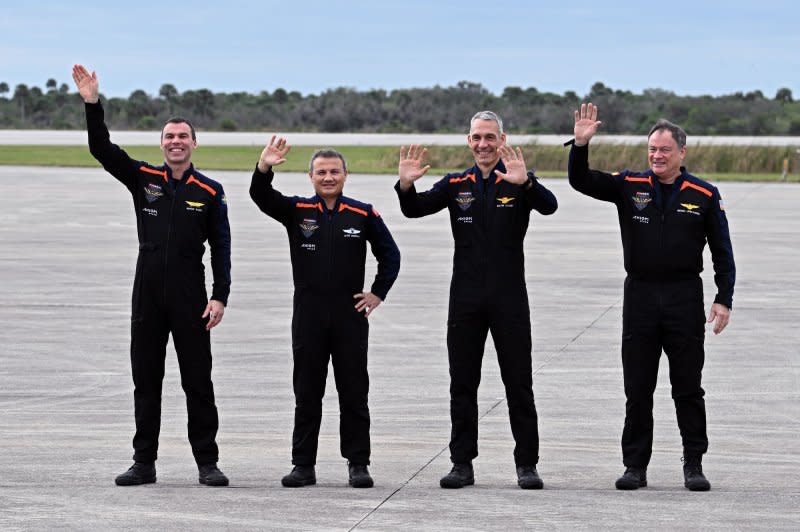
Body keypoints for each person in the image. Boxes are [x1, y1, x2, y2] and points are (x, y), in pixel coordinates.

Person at [72, 65, 231, 487]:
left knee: (198, 381)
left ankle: (207, 463)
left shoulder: (210, 192)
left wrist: (220, 296)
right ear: (161, 144)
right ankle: (144, 462)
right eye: (169, 137)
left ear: (194, 143)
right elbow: (102, 149)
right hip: (147, 295)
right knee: (147, 381)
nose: (176, 142)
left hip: (190, 296)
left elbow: (222, 248)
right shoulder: (144, 179)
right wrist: (92, 104)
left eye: (183, 136)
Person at [567, 102, 735, 491]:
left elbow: (722, 252)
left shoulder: (704, 194)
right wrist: (580, 145)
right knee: (637, 388)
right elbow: (581, 181)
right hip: (640, 297)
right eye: (652, 150)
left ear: (682, 153)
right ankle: (635, 466)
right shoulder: (630, 186)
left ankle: (693, 463)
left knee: (688, 387)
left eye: (664, 150)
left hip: (683, 298)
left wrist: (723, 297)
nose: (657, 156)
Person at [395, 111, 557, 489]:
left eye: (489, 137)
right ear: (468, 141)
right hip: (465, 298)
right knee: (462, 383)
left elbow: (550, 206)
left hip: (509, 297)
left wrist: (528, 183)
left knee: (518, 383)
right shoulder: (456, 184)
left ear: (502, 140)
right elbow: (414, 209)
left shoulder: (516, 178)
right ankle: (461, 464)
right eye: (476, 137)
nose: (483, 144)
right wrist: (405, 185)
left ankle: (527, 465)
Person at [250, 138, 400, 488]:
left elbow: (390, 255)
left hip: (349, 316)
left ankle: (358, 463)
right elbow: (261, 197)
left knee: (353, 392)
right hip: (309, 314)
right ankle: (303, 464)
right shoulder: (297, 210)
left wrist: (377, 292)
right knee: (307, 392)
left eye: (334, 172)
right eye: (321, 172)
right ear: (310, 176)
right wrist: (264, 168)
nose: (328, 177)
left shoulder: (363, 213)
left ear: (345, 175)